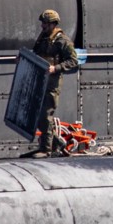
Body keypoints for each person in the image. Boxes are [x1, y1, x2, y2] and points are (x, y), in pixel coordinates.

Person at [29, 8, 78, 156]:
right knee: (36, 115)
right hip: (39, 81)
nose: (42, 26)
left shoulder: (63, 41)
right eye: (42, 23)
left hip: (52, 83)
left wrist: (56, 68)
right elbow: (36, 54)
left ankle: (46, 149)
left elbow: (73, 61)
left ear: (53, 24)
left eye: (45, 23)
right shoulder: (42, 38)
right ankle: (56, 141)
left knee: (45, 115)